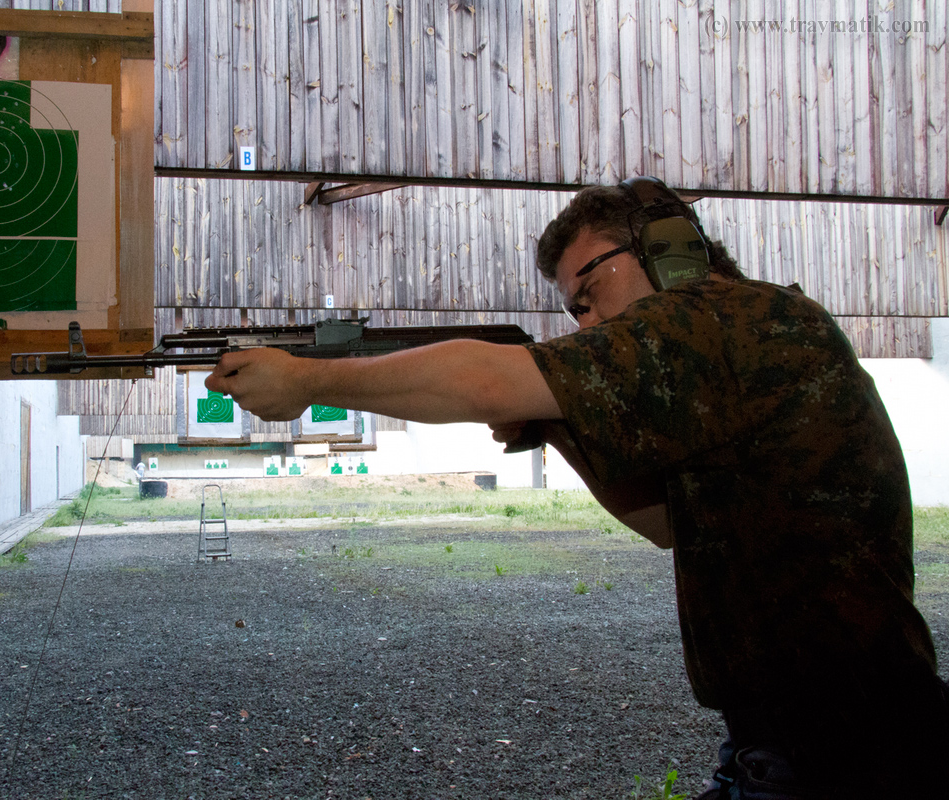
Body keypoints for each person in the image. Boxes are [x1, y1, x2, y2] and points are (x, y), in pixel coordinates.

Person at [205, 178, 948, 798]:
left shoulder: (730, 318)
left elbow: (487, 379)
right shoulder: (728, 356)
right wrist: (556, 423)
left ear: (669, 249)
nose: (584, 319)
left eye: (591, 288)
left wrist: (311, 379)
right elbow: (662, 520)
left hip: (858, 744)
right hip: (802, 744)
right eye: (573, 308)